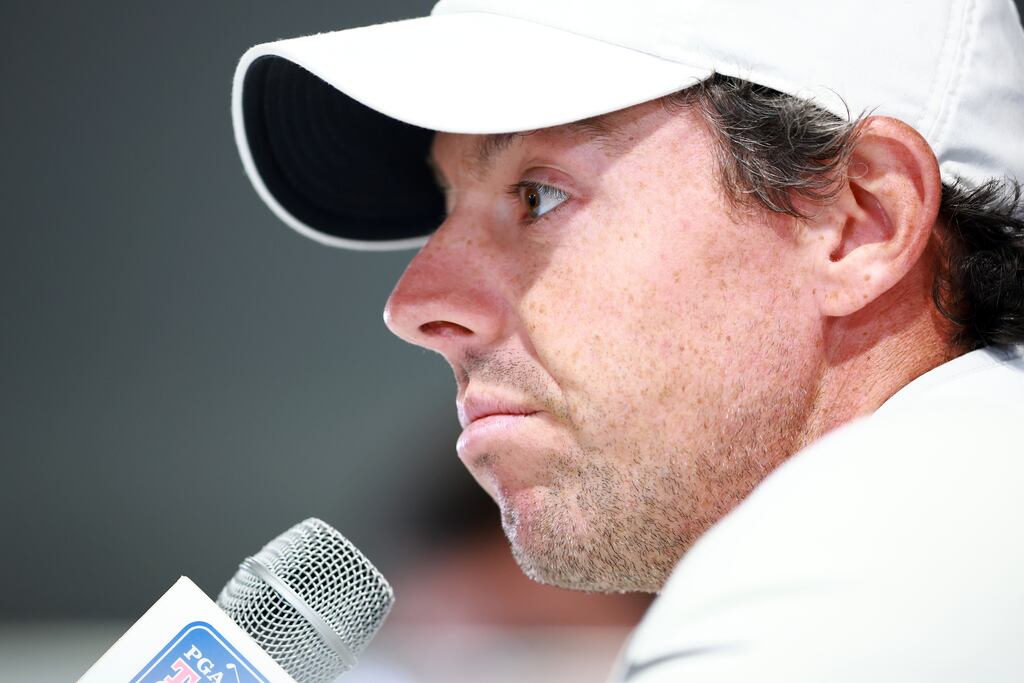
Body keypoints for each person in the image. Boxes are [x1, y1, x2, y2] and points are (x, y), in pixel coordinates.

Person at [230, 0, 1024, 679]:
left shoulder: (842, 595)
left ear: (860, 223)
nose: (413, 304)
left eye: (536, 194)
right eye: (448, 204)